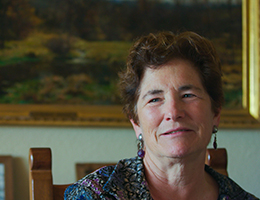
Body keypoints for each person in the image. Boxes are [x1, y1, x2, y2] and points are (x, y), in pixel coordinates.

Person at [64, 31, 259, 200]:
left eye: (188, 95)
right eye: (155, 99)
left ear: (215, 113)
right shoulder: (96, 194)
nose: (173, 112)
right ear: (136, 122)